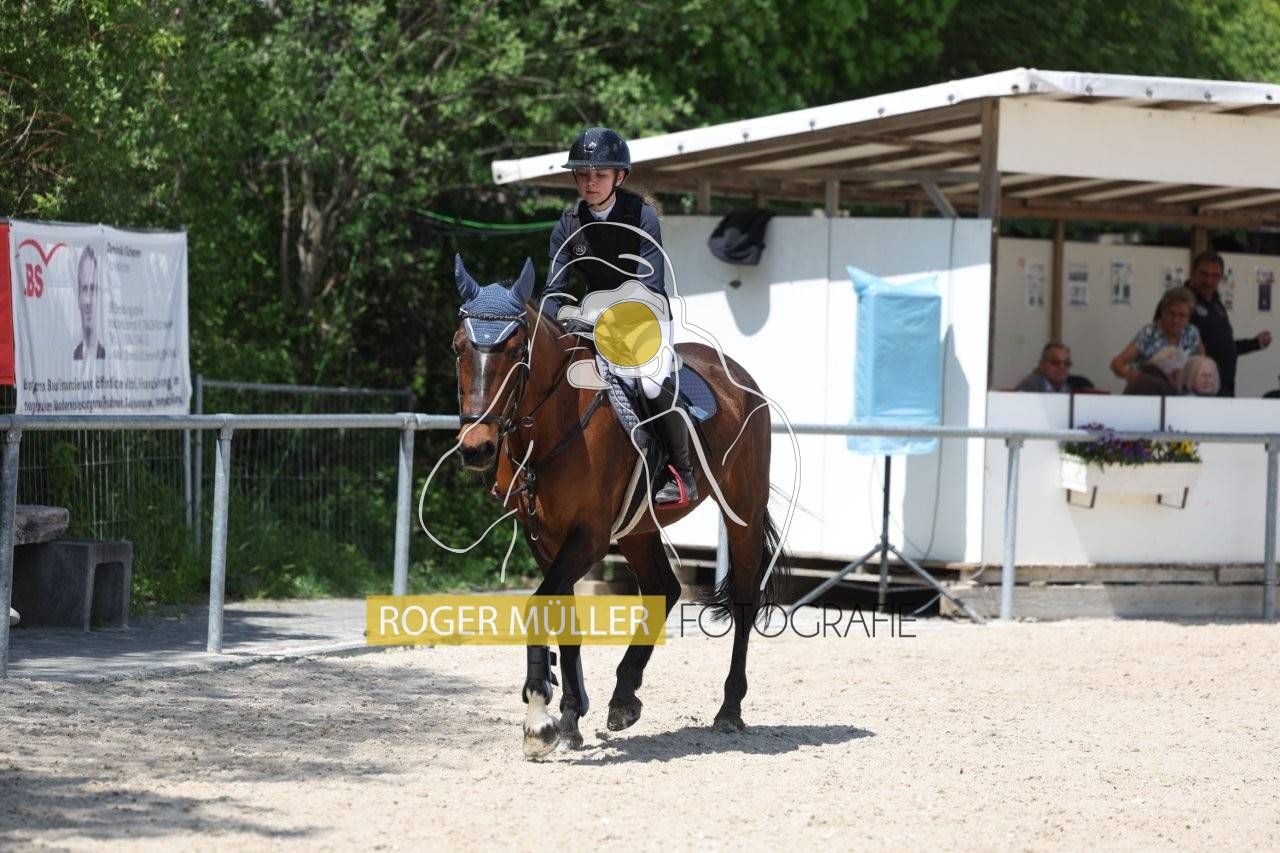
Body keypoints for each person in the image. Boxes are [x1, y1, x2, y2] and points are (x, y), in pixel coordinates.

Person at [544, 126, 698, 506]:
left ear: (620, 177)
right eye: (583, 174)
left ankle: (682, 473)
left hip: (645, 317)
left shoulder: (641, 216)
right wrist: (553, 323)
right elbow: (554, 291)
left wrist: (600, 317)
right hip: (593, 319)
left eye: (599, 174)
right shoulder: (568, 224)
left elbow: (649, 283)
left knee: (650, 383)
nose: (590, 183)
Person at [1185, 250, 1272, 397]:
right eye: (1204, 274)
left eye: (1215, 276)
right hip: (1197, 390)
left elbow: (1224, 347)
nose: (1209, 281)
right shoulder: (1181, 301)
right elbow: (1169, 343)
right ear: (1192, 273)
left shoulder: (1217, 305)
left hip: (1224, 387)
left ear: (1220, 277)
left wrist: (1254, 343)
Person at [1109, 286, 1204, 385]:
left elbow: (1202, 362)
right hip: (1150, 390)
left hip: (1180, 392)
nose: (1175, 320)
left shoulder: (1192, 333)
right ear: (1163, 312)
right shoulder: (1148, 334)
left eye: (1182, 315)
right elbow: (1116, 364)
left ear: (1189, 317)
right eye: (1171, 313)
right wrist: (1134, 376)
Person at [73, 246, 106, 361]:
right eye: (84, 289)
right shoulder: (73, 356)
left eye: (92, 289)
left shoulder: (106, 356)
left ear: (99, 295)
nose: (88, 301)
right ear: (78, 298)